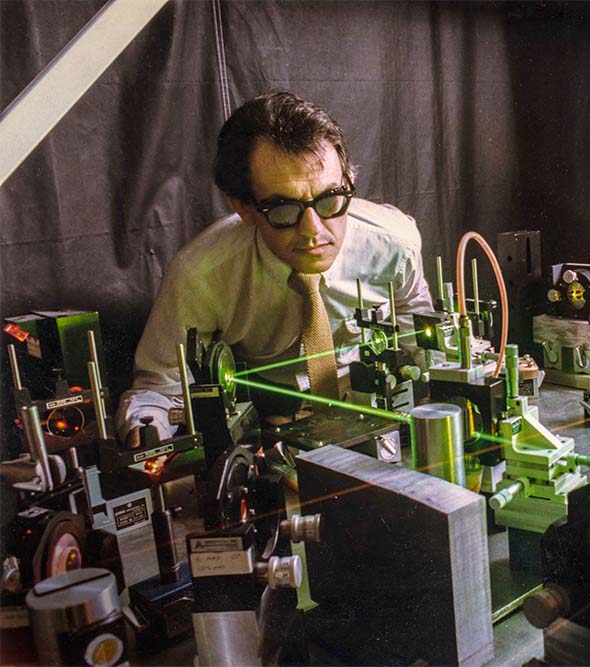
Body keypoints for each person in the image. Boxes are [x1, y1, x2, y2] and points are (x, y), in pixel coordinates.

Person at [116, 90, 434, 444]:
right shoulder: (201, 275)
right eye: (284, 210)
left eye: (330, 200)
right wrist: (146, 434)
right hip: (269, 427)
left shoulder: (394, 244)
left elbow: (427, 348)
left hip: (375, 411)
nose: (314, 231)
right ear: (244, 207)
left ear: (348, 180)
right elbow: (159, 391)